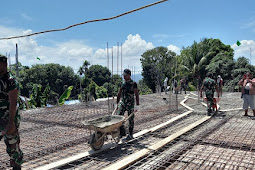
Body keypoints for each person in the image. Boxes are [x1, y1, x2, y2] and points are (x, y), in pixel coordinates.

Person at [0, 55, 23, 169]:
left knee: (12, 146)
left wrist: (11, 123)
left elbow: (13, 103)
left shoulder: (10, 80)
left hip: (8, 118)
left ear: (4, 64)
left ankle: (17, 166)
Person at [116, 69, 139, 140]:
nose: (124, 77)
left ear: (129, 75)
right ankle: (122, 132)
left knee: (131, 119)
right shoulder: (122, 83)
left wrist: (137, 105)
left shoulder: (133, 84)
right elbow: (119, 93)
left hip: (130, 103)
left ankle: (130, 134)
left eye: (125, 75)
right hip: (123, 103)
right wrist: (117, 104)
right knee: (118, 116)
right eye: (123, 75)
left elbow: (136, 94)